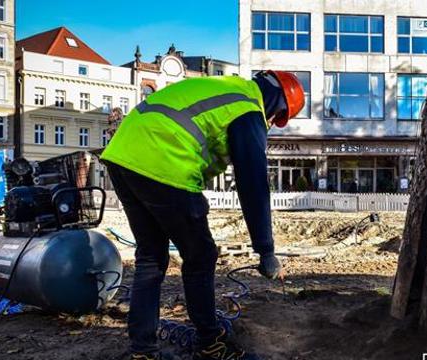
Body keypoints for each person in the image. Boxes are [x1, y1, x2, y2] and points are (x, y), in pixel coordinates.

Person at [100, 71, 306, 360]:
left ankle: (142, 351)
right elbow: (254, 184)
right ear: (277, 104)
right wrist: (266, 251)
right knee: (201, 255)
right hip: (163, 160)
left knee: (151, 258)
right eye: (276, 118)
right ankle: (211, 343)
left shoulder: (225, 89)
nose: (271, 124)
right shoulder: (247, 108)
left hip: (122, 154)